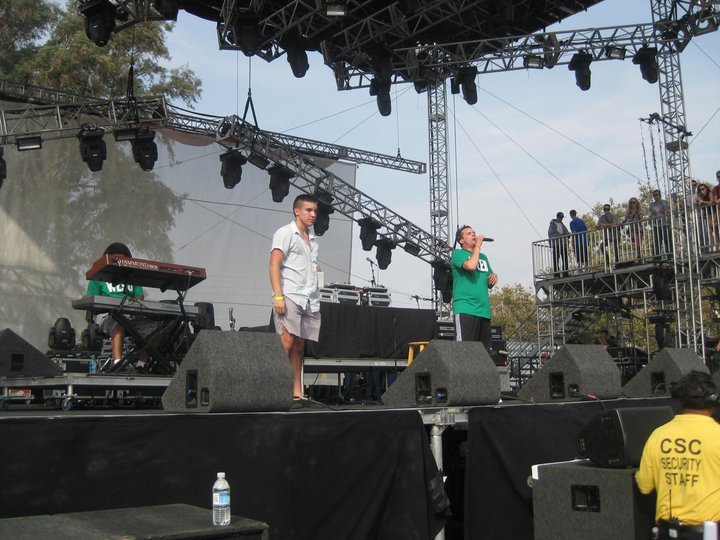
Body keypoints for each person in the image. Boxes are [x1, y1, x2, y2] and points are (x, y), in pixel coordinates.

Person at [635, 371, 720, 539]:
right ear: (713, 401)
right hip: (708, 533)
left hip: (667, 532)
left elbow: (645, 485)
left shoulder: (658, 435)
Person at [269, 194, 322, 400]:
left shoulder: (313, 240)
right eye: (309, 210)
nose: (313, 214)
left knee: (299, 345)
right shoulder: (285, 232)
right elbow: (274, 263)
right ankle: (275, 390)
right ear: (297, 211)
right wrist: (278, 297)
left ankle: (296, 392)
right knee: (287, 341)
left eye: (315, 211)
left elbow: (311, 266)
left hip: (308, 298)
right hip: (290, 293)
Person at [86, 242, 157, 371]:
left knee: (155, 330)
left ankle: (141, 364)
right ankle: (118, 363)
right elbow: (92, 299)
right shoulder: (98, 276)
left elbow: (139, 296)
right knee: (118, 322)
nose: (119, 263)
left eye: (123, 260)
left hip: (130, 315)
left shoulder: (132, 277)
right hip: (106, 315)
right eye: (116, 260)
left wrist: (132, 303)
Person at [451, 225, 499, 352]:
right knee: (464, 352)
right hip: (466, 308)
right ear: (461, 241)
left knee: (484, 354)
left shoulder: (483, 257)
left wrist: (493, 277)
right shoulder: (457, 254)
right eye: (468, 233)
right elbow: (471, 266)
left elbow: (489, 282)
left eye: (474, 232)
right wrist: (477, 246)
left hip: (483, 311)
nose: (473, 234)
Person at [648, 189, 671, 257]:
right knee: (656, 241)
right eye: (654, 195)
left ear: (660, 195)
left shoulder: (664, 202)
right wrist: (650, 223)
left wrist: (669, 221)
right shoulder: (652, 205)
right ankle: (656, 257)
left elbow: (668, 212)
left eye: (656, 194)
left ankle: (670, 255)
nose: (655, 196)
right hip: (656, 225)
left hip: (664, 224)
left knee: (667, 240)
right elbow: (650, 215)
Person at [548, 212, 570, 276]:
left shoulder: (562, 224)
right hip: (556, 244)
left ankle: (565, 273)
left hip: (563, 244)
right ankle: (556, 274)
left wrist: (568, 234)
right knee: (556, 259)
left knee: (565, 258)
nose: (561, 219)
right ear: (557, 217)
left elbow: (567, 232)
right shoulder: (552, 224)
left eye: (562, 218)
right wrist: (561, 235)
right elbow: (551, 234)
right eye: (560, 217)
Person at [696, 183, 713, 252]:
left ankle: (716, 247)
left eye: (703, 189)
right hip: (706, 214)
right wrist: (700, 200)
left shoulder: (709, 193)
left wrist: (703, 201)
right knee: (709, 231)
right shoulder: (700, 195)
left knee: (715, 229)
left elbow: (711, 202)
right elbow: (700, 204)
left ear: (706, 189)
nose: (701, 191)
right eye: (700, 190)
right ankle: (710, 248)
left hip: (712, 212)